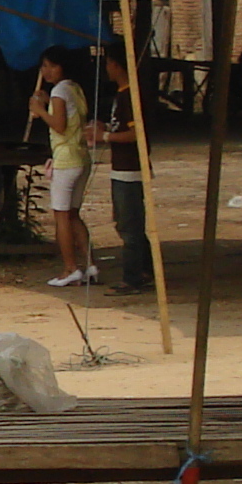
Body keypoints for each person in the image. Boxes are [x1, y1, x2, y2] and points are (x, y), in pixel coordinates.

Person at [32, 46, 95, 286]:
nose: (46, 71)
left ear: (63, 67)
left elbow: (58, 125)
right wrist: (47, 103)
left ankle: (70, 268)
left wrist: (40, 110)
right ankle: (90, 264)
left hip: (66, 160)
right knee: (73, 214)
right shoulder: (74, 88)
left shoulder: (60, 90)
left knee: (61, 216)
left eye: (51, 65)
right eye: (44, 66)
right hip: (81, 156)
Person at [98, 39, 154, 294]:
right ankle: (144, 270)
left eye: (108, 63)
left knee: (129, 226)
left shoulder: (131, 96)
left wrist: (105, 137)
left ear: (117, 66)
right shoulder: (121, 95)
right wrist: (106, 130)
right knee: (127, 222)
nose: (106, 68)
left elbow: (136, 134)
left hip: (130, 169)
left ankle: (132, 277)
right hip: (121, 167)